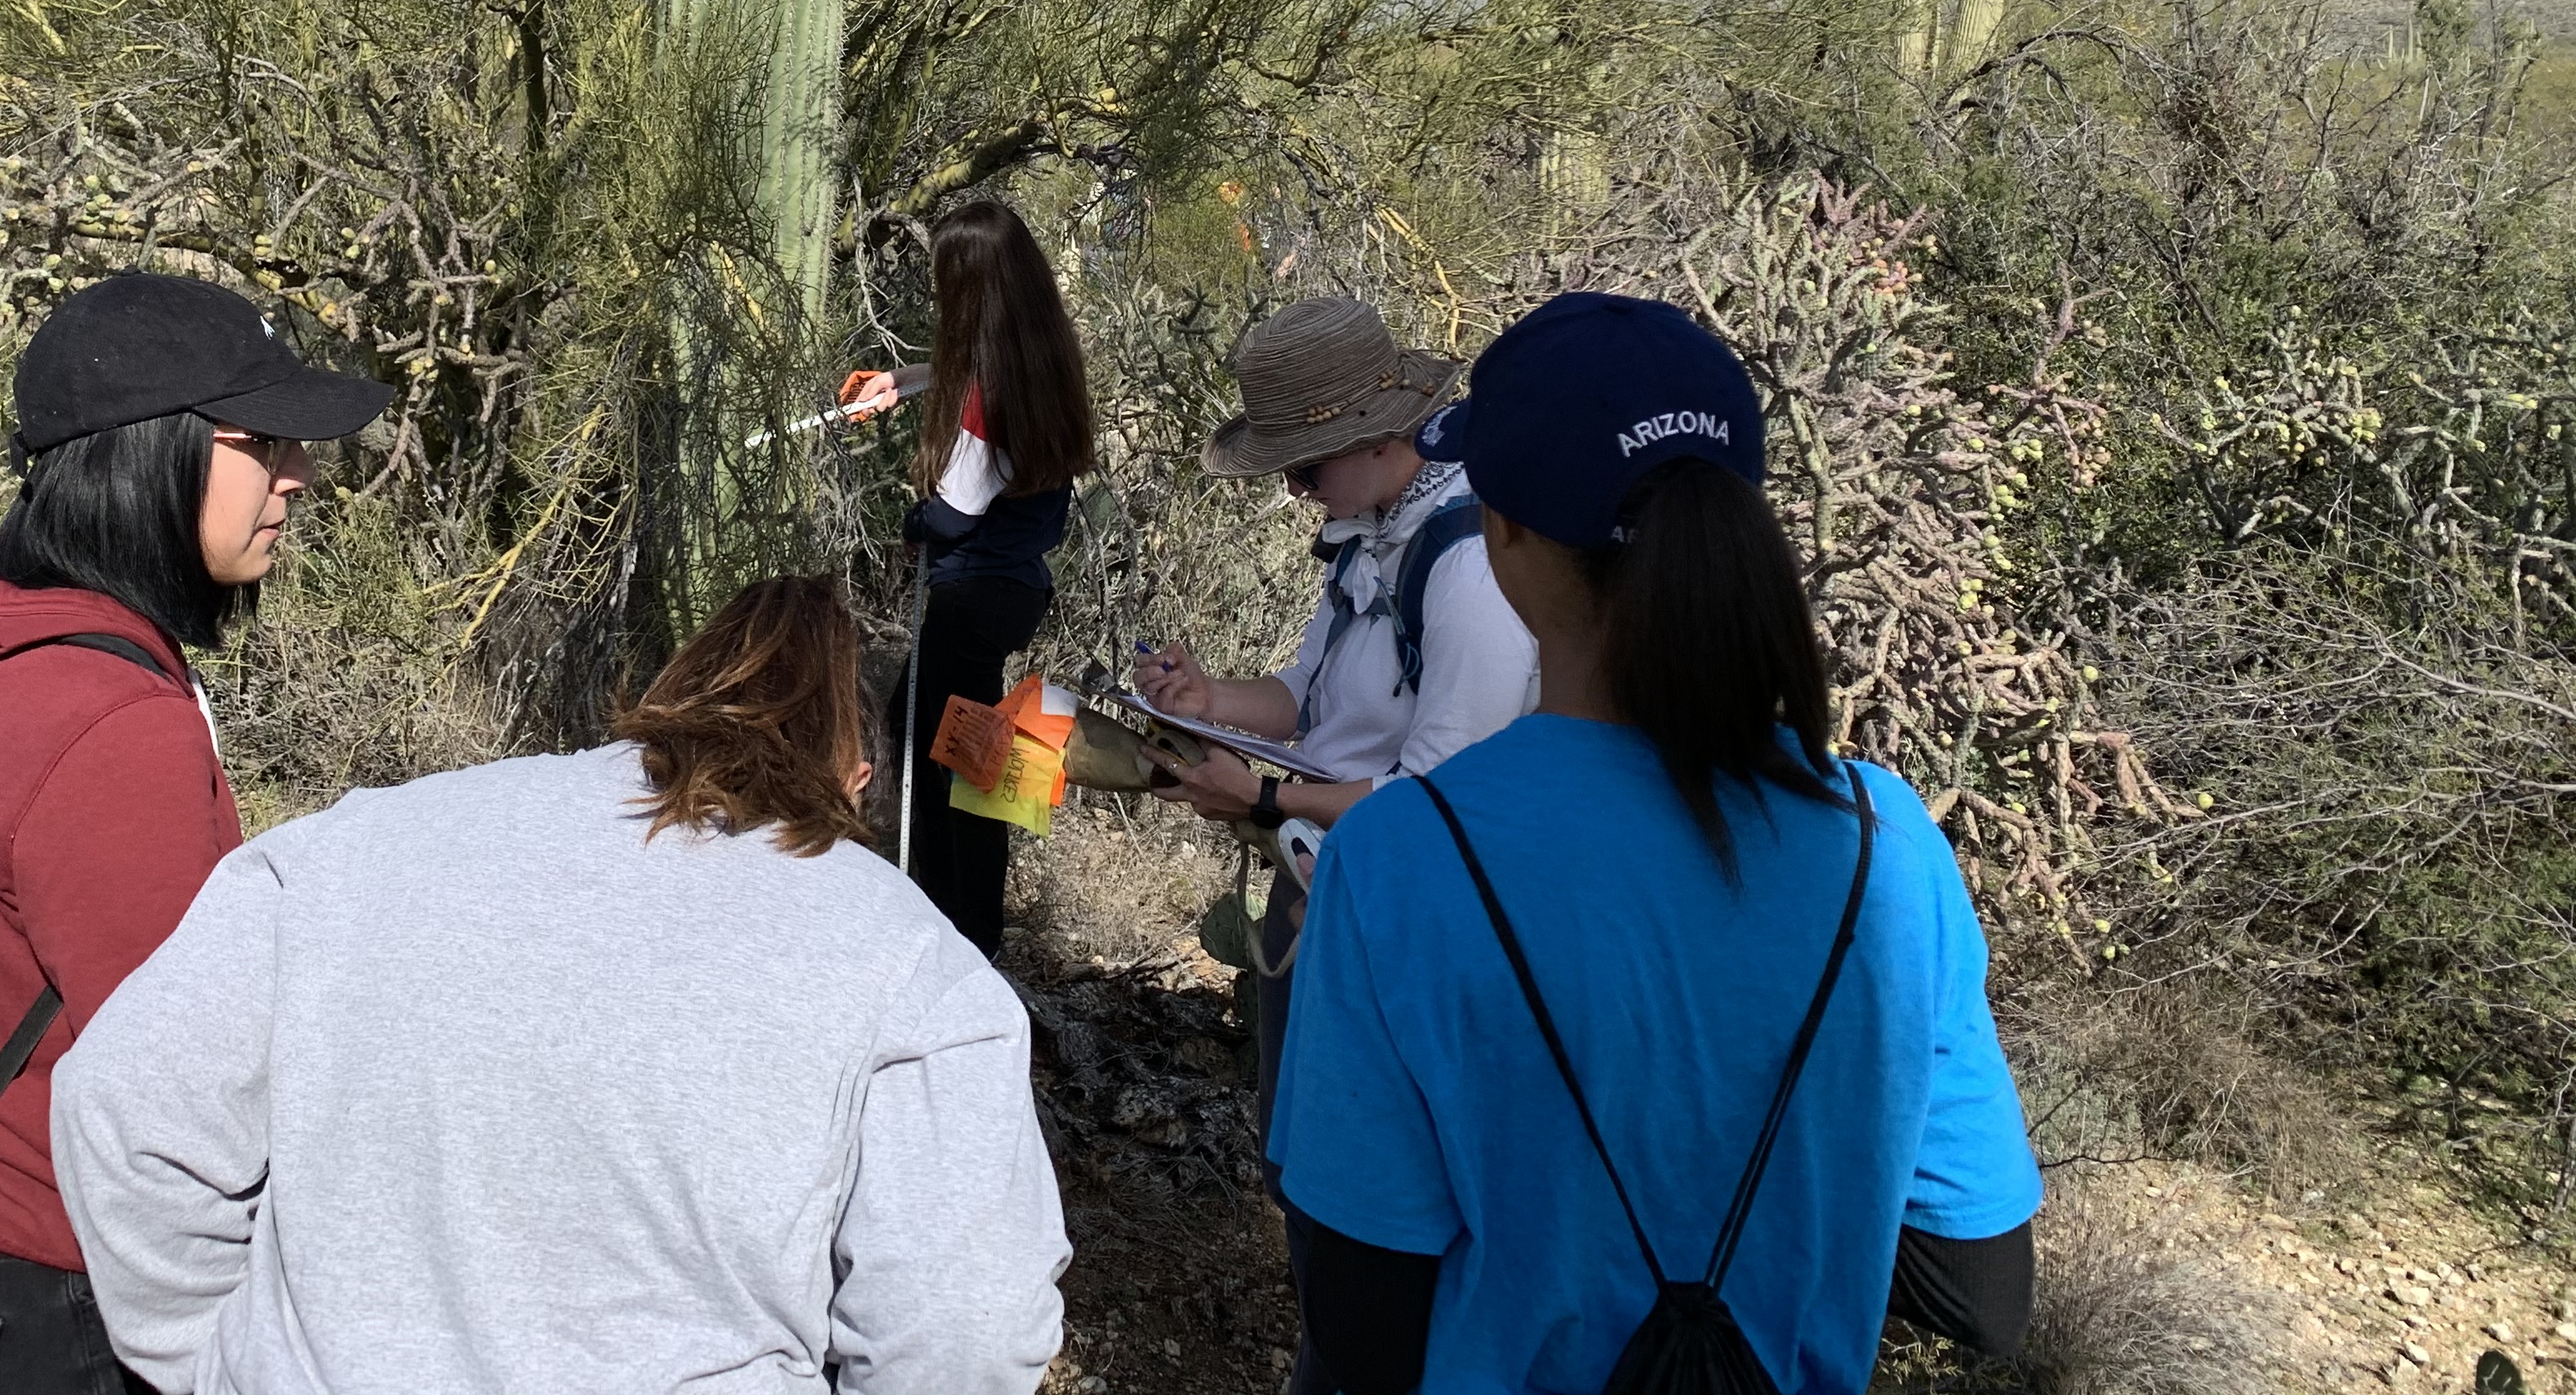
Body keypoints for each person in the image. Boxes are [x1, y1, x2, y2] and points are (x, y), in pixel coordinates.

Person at [1272, 292, 2039, 1393]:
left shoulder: (1401, 859)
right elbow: (1983, 1291)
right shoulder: (1888, 848)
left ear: (1508, 533)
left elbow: (1360, 1321)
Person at [48, 574, 1069, 1395]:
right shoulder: (916, 966)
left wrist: (219, 1360)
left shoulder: (355, 845)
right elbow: (967, 1321)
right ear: (855, 778)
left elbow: (126, 1105)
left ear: (660, 711)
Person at [0, 271, 388, 1395]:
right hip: (46, 1309)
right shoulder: (108, 728)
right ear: (151, 452)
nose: (298, 476)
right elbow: (200, 1085)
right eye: (263, 442)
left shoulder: (0, 649)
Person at [1129, 293, 1537, 1394]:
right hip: (1322, 900)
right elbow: (1308, 700)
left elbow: (1442, 810)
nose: (1293, 489)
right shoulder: (1370, 541)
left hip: (1404, 936)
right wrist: (1209, 698)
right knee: (1307, 1180)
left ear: (1374, 437)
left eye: (1304, 466)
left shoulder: (1471, 567)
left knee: (1366, 1215)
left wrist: (1264, 799)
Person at [851, 194, 1096, 957]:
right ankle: (969, 921)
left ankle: (958, 929)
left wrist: (912, 523)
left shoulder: (986, 400)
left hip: (971, 592)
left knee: (941, 758)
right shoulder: (1041, 358)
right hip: (1014, 589)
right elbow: (960, 378)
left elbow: (953, 514)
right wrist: (904, 378)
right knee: (972, 753)